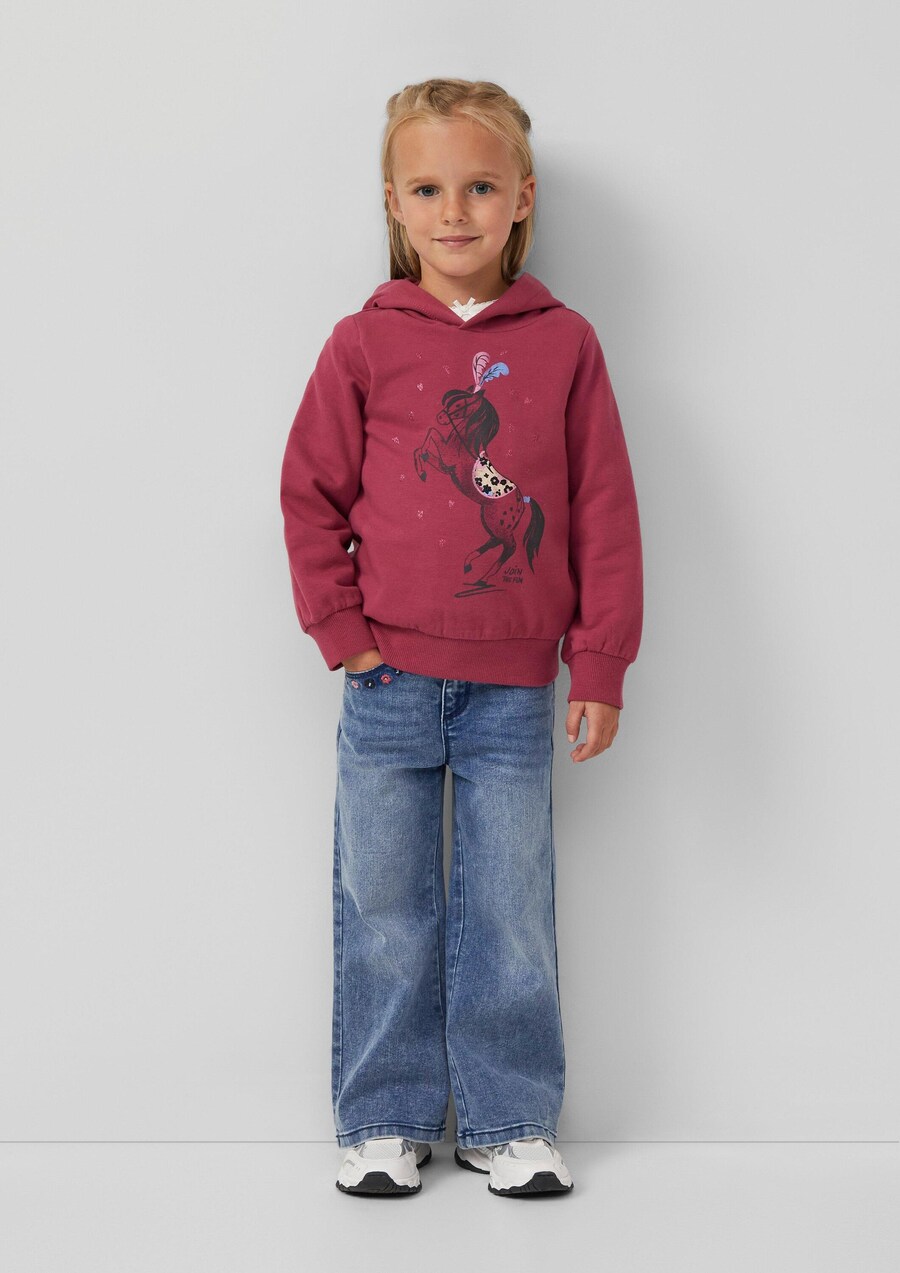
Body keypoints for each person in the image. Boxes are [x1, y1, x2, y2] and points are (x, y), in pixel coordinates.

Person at [279, 77, 643, 1198]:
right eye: (429, 189)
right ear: (395, 204)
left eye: (479, 187)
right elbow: (308, 494)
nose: (455, 211)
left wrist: (599, 661)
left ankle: (509, 1117)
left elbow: (603, 507)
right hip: (385, 681)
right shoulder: (362, 343)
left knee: (509, 908)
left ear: (521, 198)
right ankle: (384, 1118)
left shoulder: (565, 344)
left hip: (514, 691)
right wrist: (344, 634)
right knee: (384, 904)